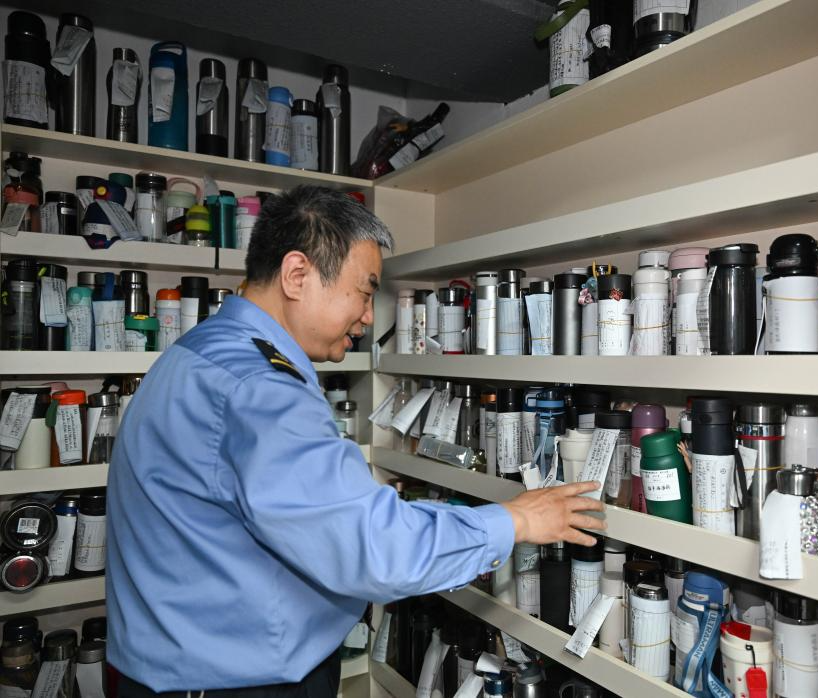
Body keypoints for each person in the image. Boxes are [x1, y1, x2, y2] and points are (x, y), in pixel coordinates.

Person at [106, 185, 606, 697]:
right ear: (297, 275)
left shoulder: (196, 353)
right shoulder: (260, 387)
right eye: (365, 292)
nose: (369, 317)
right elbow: (370, 547)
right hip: (235, 686)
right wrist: (515, 520)